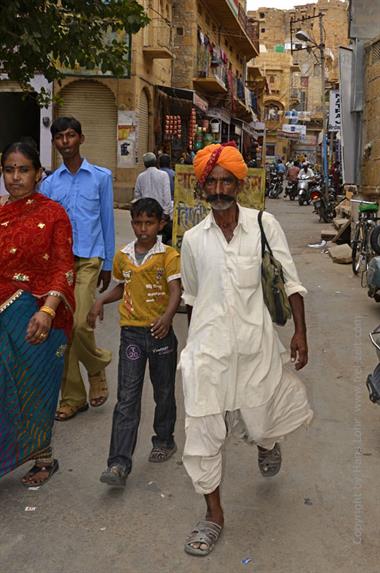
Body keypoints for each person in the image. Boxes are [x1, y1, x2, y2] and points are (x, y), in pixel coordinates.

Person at [179, 142, 313, 556]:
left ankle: (267, 442)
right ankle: (213, 515)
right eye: (212, 181)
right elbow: (192, 295)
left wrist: (300, 333)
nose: (219, 189)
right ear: (203, 186)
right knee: (202, 430)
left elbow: (289, 280)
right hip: (209, 348)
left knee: (257, 424)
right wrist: (192, 348)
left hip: (255, 345)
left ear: (240, 184)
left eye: (226, 181)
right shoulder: (192, 239)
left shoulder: (264, 225)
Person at [88, 198, 181, 487]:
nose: (143, 229)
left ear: (160, 224)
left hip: (160, 334)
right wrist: (102, 299)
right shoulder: (123, 256)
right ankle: (118, 463)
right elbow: (122, 287)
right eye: (138, 223)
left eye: (149, 223)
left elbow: (176, 290)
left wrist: (167, 318)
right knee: (127, 398)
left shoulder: (168, 255)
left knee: (163, 391)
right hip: (132, 335)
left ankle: (164, 439)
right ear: (132, 224)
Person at [0, 142, 75, 486]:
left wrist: (48, 310)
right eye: (9, 169)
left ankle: (43, 456)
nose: (15, 177)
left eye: (23, 169)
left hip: (37, 315)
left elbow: (62, 266)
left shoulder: (53, 214)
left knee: (35, 388)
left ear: (38, 173)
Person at [40, 116, 115, 421]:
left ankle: (96, 364)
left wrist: (108, 263)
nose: (65, 142)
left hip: (88, 260)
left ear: (81, 139)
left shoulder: (100, 177)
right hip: (59, 264)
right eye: (60, 137)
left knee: (81, 323)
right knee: (62, 331)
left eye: (71, 136)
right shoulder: (49, 184)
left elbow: (107, 222)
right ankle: (73, 397)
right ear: (55, 142)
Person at [134, 152, 172, 244]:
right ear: (156, 162)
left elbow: (137, 196)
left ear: (145, 164)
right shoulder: (163, 175)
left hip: (146, 213)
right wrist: (166, 213)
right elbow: (167, 195)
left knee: (148, 237)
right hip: (160, 213)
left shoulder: (140, 176)